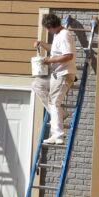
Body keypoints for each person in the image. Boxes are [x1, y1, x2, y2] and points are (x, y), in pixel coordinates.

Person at [33, 13, 76, 145]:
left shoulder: (64, 35)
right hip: (56, 74)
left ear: (50, 26)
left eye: (47, 28)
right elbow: (55, 49)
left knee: (54, 103)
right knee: (37, 85)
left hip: (63, 74)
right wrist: (42, 44)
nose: (47, 31)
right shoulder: (58, 35)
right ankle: (60, 114)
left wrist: (48, 60)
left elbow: (68, 55)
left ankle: (58, 136)